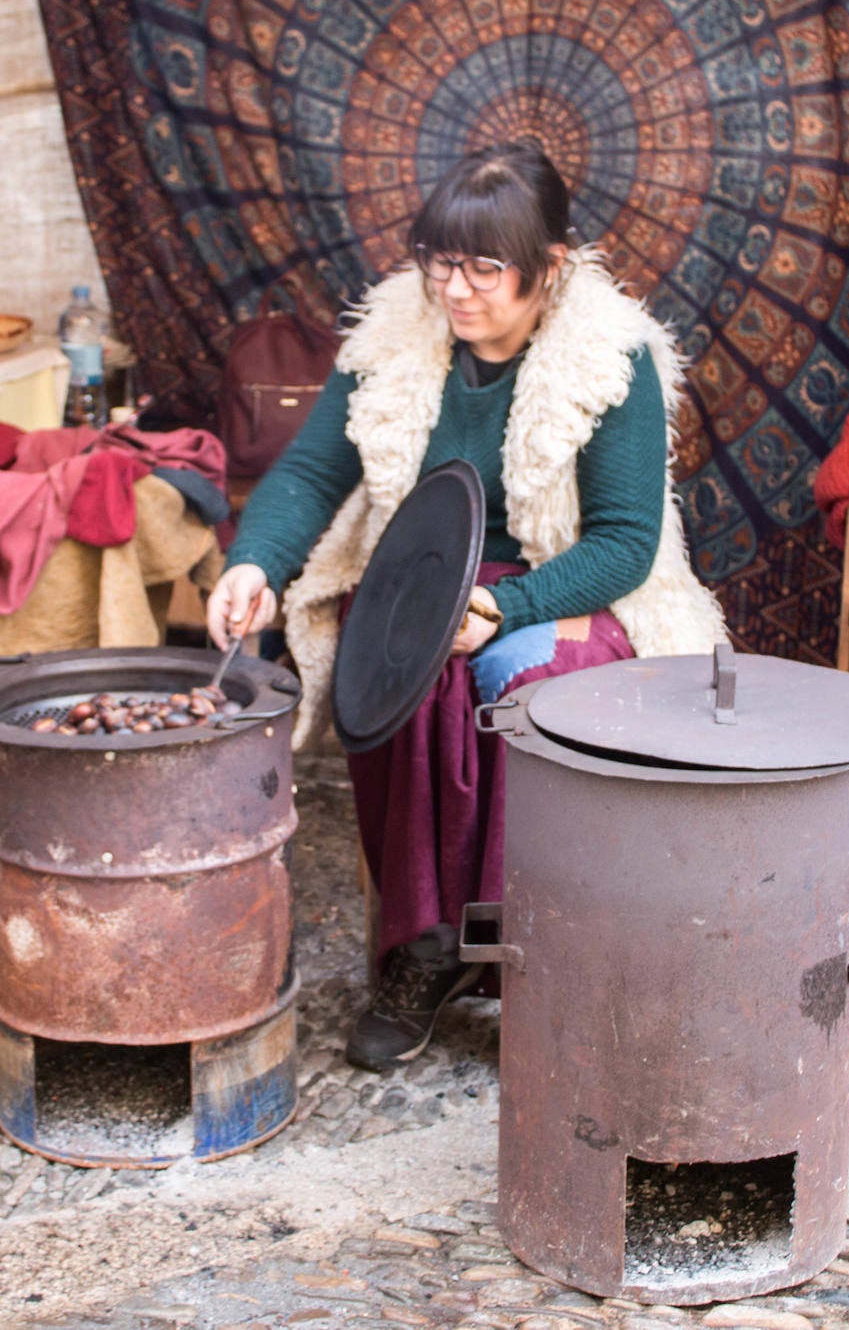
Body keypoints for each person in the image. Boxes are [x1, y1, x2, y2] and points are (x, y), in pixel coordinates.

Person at [207, 141, 726, 1071]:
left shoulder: (609, 360)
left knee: (528, 682)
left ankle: (538, 957)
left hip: (567, 584)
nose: (455, 288)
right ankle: (424, 949)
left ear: (550, 269)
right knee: (404, 666)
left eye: (486, 267)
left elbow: (620, 542)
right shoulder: (393, 341)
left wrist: (503, 607)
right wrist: (255, 562)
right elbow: (316, 467)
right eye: (440, 261)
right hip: (422, 572)